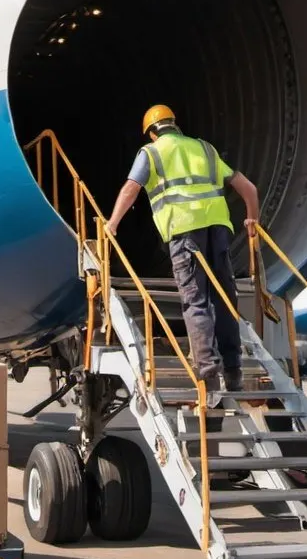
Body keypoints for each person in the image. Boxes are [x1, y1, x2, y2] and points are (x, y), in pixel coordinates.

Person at [106, 104, 259, 392]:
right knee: (225, 300)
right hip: (218, 229)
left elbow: (131, 188)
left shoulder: (151, 153)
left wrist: (112, 223)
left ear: (152, 133)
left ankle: (208, 369)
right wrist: (251, 220)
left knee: (195, 299)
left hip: (184, 231)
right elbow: (249, 188)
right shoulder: (205, 149)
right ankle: (233, 370)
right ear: (175, 124)